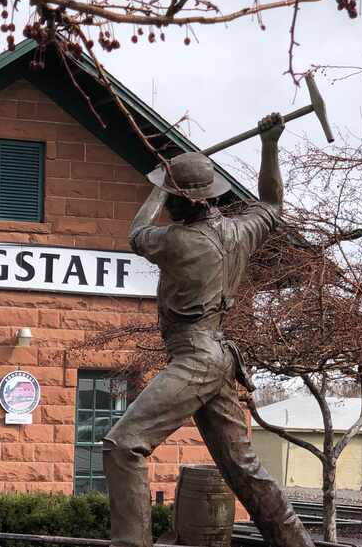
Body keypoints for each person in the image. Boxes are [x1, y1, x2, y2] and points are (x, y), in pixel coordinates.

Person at [102, 113, 315, 547]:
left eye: (172, 198)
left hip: (196, 357)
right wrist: (269, 144)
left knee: (124, 446)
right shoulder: (240, 232)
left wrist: (158, 186)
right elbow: (272, 204)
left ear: (178, 202)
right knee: (244, 469)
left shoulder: (177, 242)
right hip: (217, 356)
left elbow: (136, 233)